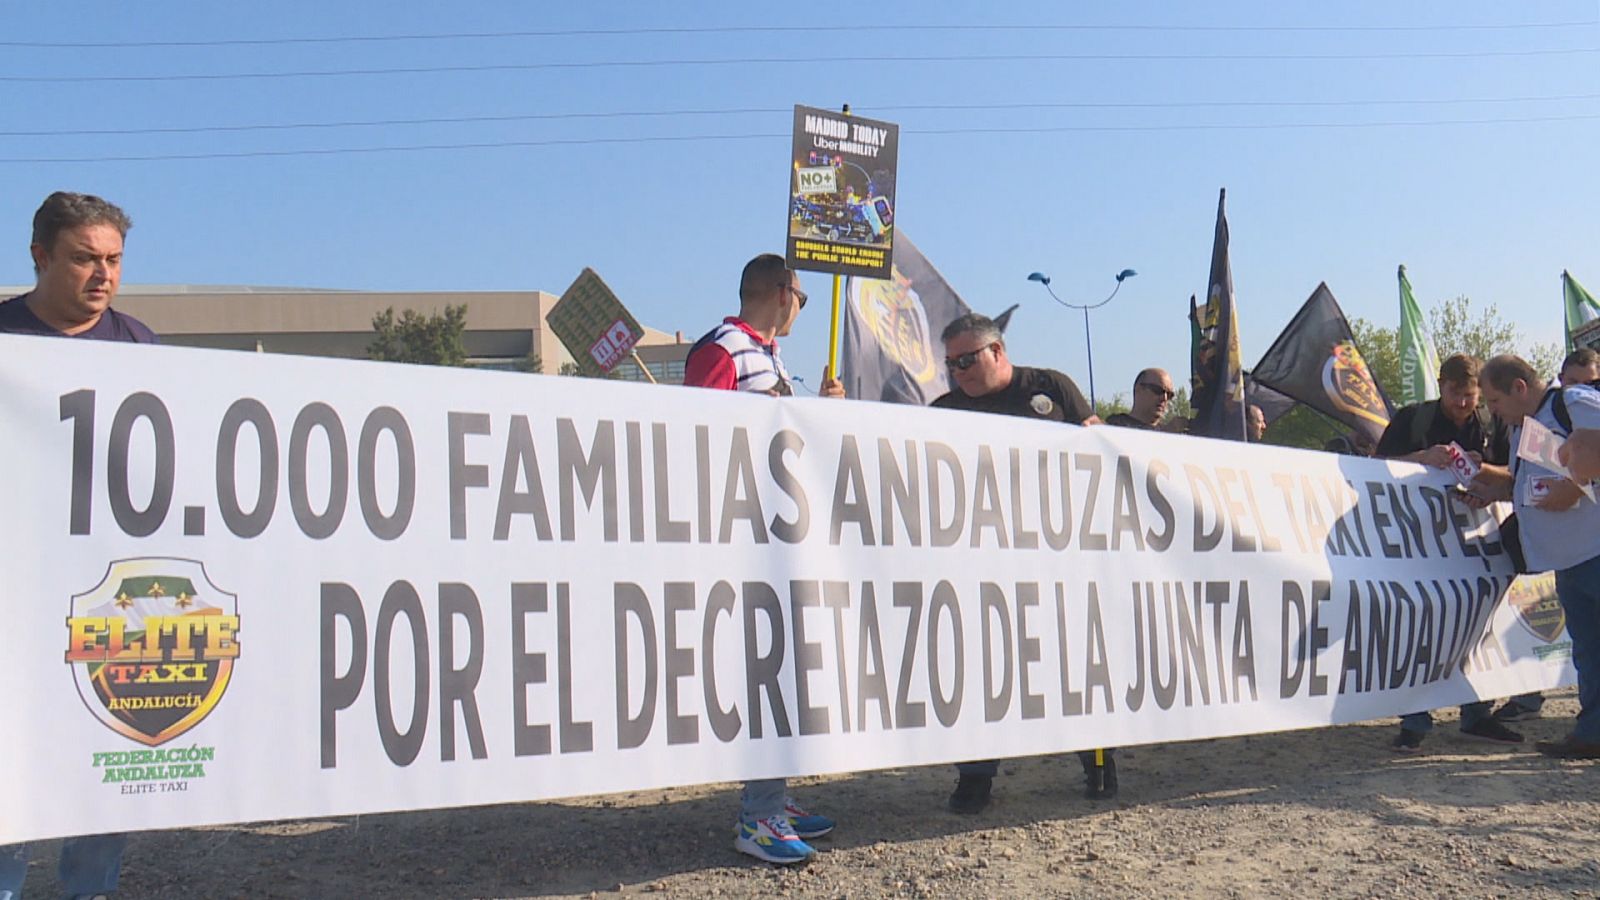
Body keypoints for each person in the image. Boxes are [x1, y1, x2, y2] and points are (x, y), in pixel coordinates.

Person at [0, 192, 152, 900]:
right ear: (39, 257)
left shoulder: (141, 348)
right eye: (85, 259)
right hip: (11, 599)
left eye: (114, 260)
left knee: (102, 777)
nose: (103, 275)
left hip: (106, 602)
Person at [682, 253, 840, 865]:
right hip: (744, 541)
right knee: (767, 671)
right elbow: (696, 435)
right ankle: (759, 817)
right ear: (783, 292)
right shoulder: (723, 349)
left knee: (788, 667)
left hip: (777, 539)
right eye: (803, 297)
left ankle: (774, 794)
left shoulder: (765, 356)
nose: (803, 308)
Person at [929, 313, 1111, 813]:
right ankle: (975, 777)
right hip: (980, 563)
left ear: (998, 352)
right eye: (950, 364)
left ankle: (1097, 757)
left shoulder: (1051, 389)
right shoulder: (942, 410)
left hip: (1058, 558)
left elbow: (1100, 448)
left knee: (1073, 660)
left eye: (967, 360)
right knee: (980, 670)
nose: (958, 371)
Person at [1373, 353, 1524, 751]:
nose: (1463, 404)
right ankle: (1415, 720)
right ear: (1441, 387)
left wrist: (1485, 479)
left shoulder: (1494, 423)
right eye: (1456, 394)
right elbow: (1373, 467)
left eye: (1471, 396)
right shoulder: (1412, 420)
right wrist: (1420, 459)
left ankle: (1477, 714)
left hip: (1479, 544)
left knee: (1480, 625)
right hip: (1418, 545)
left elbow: (1514, 476)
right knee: (1421, 625)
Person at [1470, 356, 1600, 759]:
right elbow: (1529, 485)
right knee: (1589, 652)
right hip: (1568, 562)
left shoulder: (1573, 402)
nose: (1491, 409)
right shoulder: (1523, 428)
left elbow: (1586, 461)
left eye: (1494, 399)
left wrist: (1579, 484)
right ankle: (1592, 734)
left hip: (1595, 552)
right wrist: (1487, 479)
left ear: (1519, 388)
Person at [1106, 368, 1177, 431]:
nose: (1164, 398)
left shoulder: (1170, 435)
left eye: (1169, 395)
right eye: (1158, 390)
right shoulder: (1114, 427)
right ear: (1139, 389)